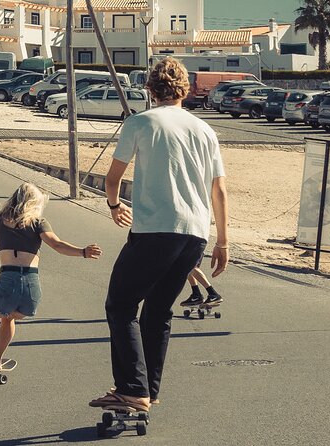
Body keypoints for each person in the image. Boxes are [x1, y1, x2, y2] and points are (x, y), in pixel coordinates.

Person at [89, 57, 229, 412]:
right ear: (186, 90)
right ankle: (147, 390)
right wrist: (223, 241)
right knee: (159, 311)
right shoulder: (205, 131)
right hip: (195, 234)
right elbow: (219, 192)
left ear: (150, 90)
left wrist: (113, 205)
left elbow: (112, 178)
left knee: (120, 305)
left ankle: (132, 389)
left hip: (155, 230)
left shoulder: (140, 122)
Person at [0, 184, 102, 371]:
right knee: (8, 317)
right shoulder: (38, 223)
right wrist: (83, 252)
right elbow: (57, 245)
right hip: (32, 288)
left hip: (9, 282)